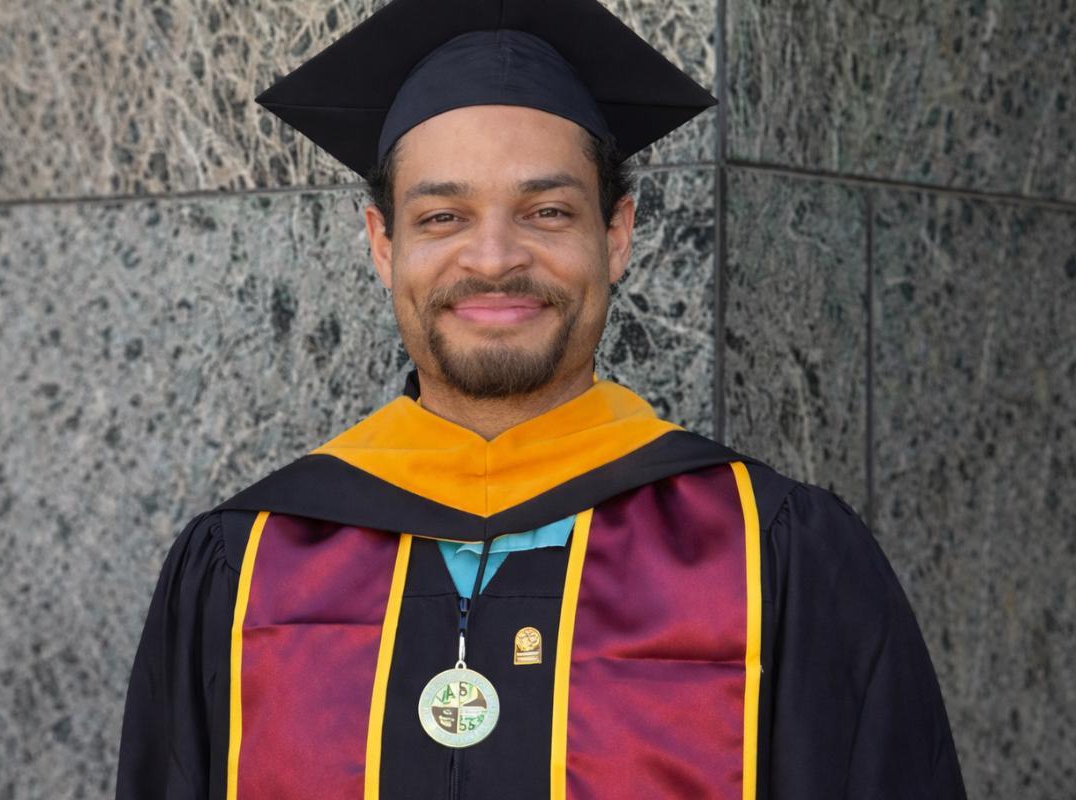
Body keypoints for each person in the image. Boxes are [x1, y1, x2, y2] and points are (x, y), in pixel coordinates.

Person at [115, 0, 966, 798]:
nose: (493, 259)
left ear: (616, 235)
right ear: (383, 245)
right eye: (443, 217)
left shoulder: (773, 555)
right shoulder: (245, 568)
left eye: (547, 211)